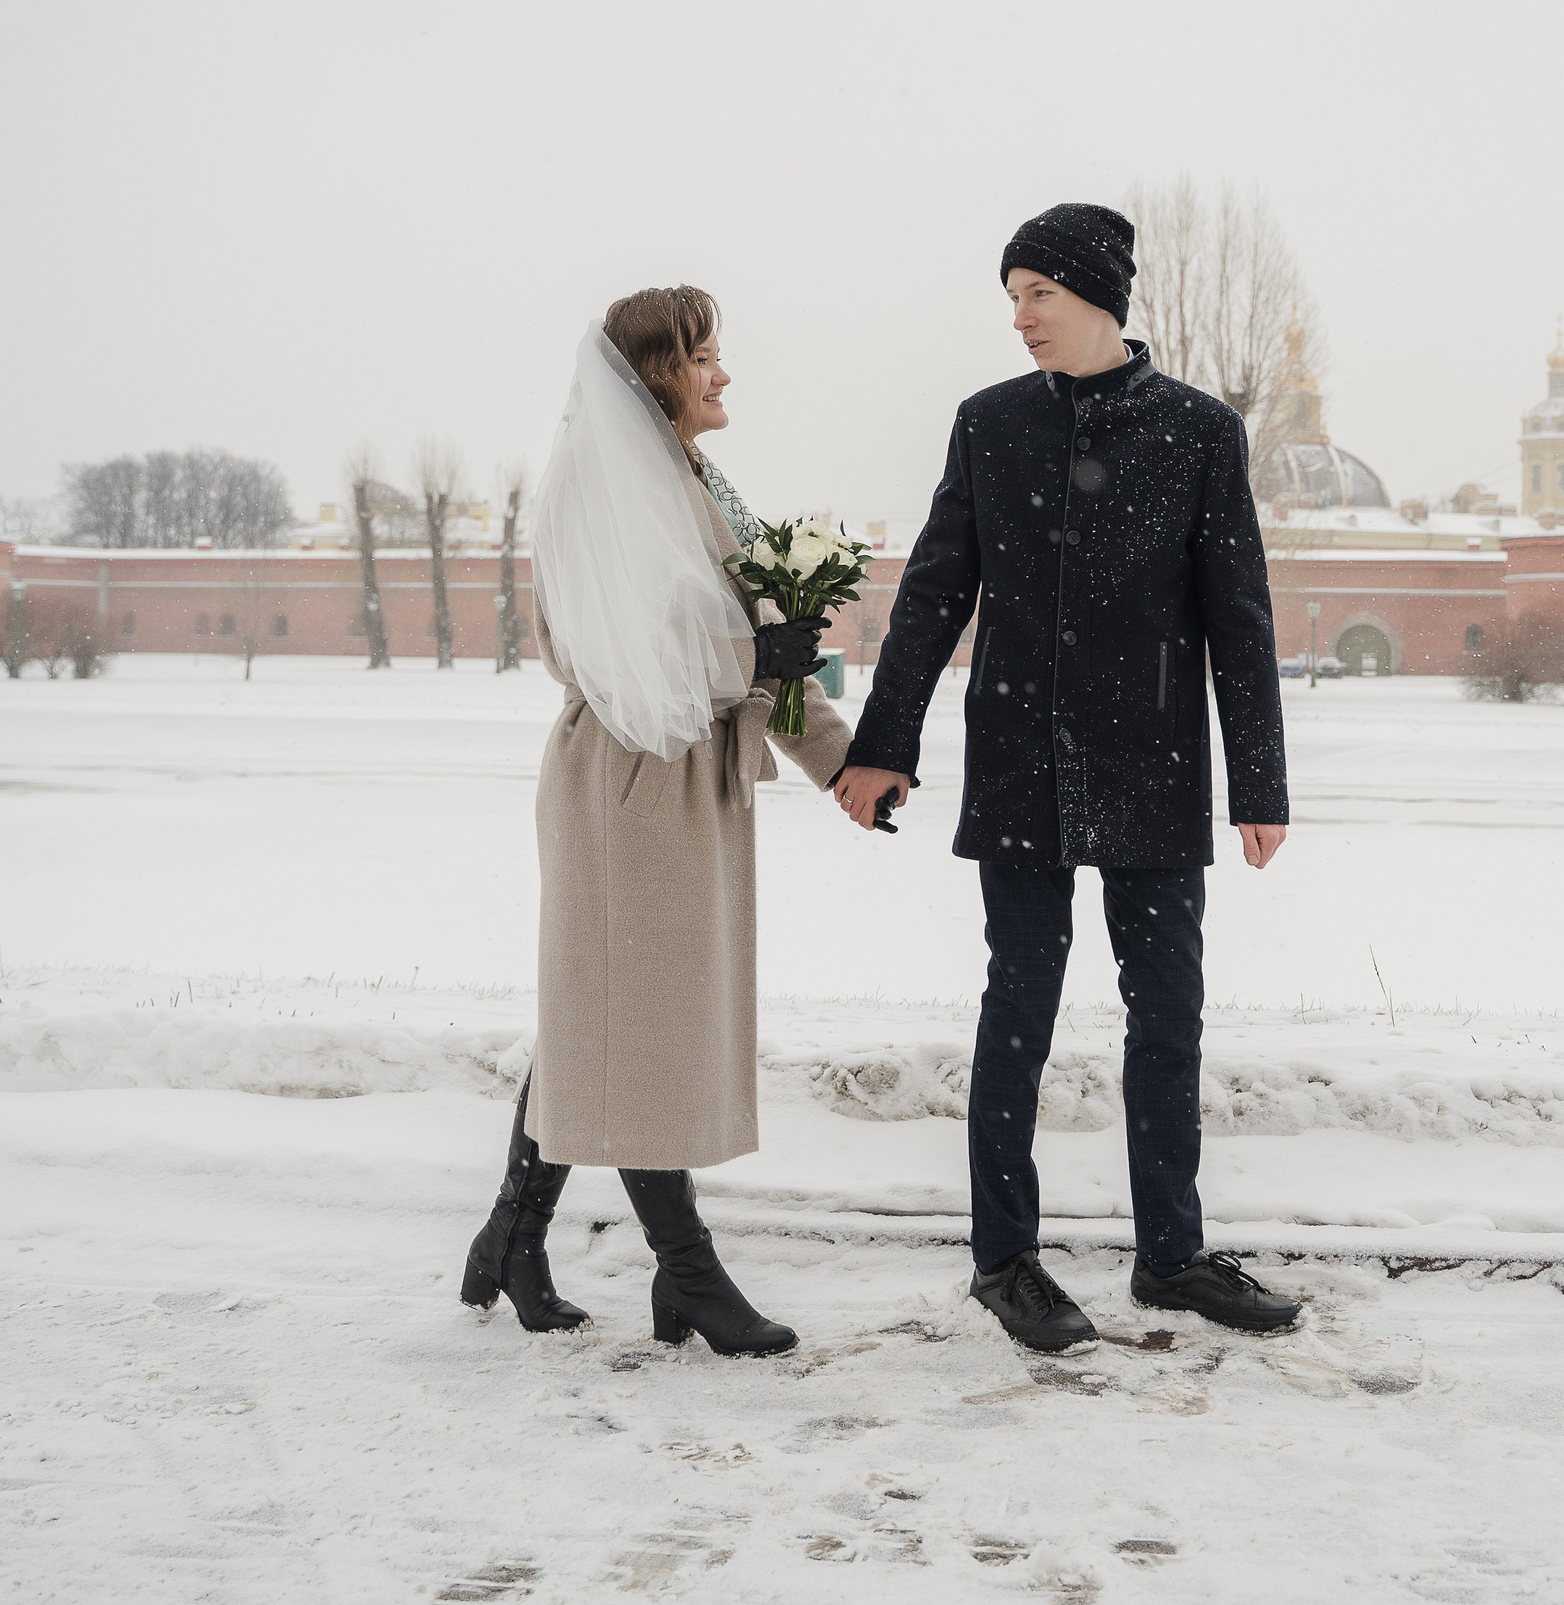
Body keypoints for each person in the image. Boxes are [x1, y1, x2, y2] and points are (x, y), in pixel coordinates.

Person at [833, 204, 1302, 1353]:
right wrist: (883, 744)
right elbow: (935, 591)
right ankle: (1005, 1262)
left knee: (1168, 1011)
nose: (1021, 316)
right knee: (1020, 1007)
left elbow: (1238, 617)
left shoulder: (1198, 432)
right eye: (1013, 295)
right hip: (1018, 754)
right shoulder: (990, 426)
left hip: (1153, 756)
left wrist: (1258, 780)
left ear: (1099, 297)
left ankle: (1172, 1258)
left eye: (1039, 291)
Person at [459, 285, 844, 1354]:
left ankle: (513, 1235)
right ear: (652, 373)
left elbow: (760, 651)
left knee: (607, 1015)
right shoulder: (595, 490)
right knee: (634, 1025)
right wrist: (750, 661)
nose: (722, 374)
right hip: (627, 782)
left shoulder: (694, 479)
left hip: (686, 780)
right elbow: (609, 654)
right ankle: (689, 1277)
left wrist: (847, 769)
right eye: (703, 356)